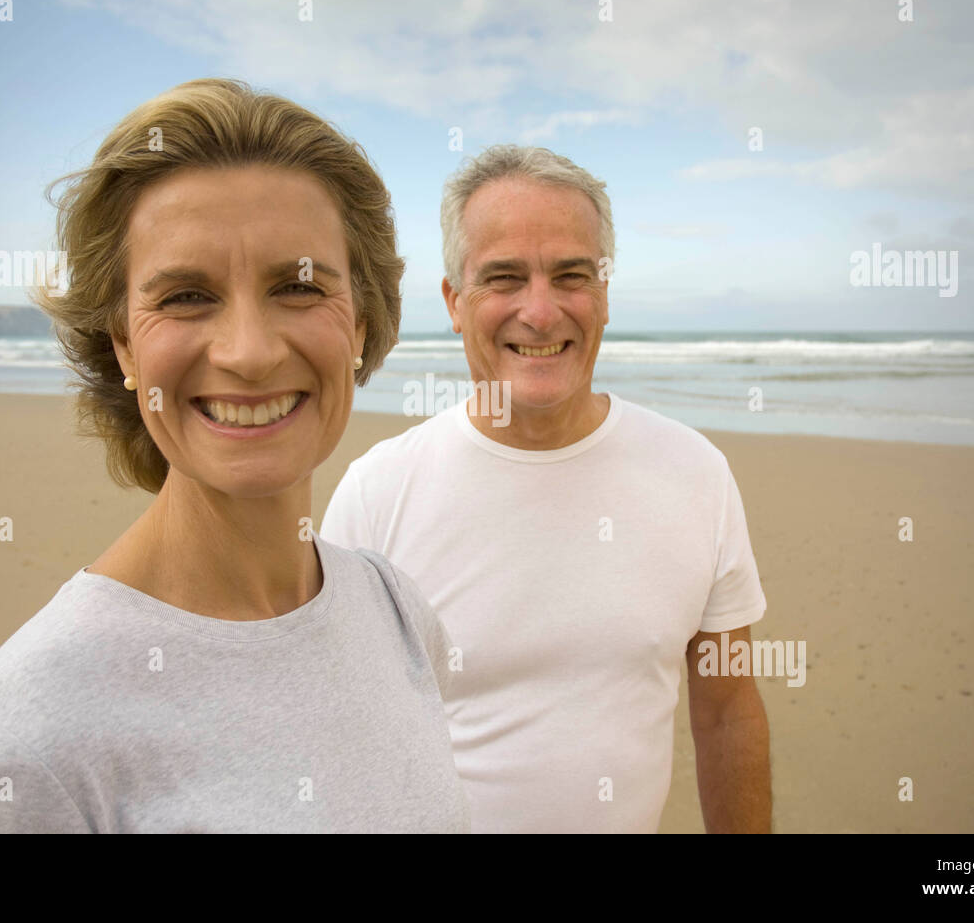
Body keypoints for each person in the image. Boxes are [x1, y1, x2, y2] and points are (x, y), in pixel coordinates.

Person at [0, 79, 469, 833]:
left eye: (298, 285)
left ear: (360, 324)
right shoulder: (10, 746)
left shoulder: (393, 609)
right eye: (187, 295)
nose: (249, 354)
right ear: (122, 340)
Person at [320, 145, 772, 833]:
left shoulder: (696, 474)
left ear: (605, 292)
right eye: (503, 277)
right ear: (453, 300)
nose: (540, 310)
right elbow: (336, 735)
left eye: (571, 275)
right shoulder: (377, 493)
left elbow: (728, 704)